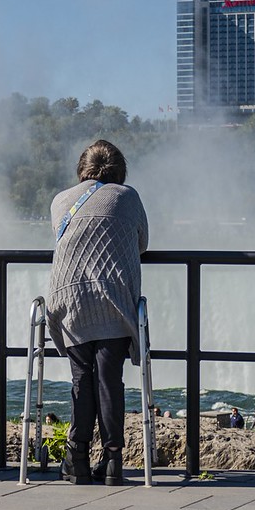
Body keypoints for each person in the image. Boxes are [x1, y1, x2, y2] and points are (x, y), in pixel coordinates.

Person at [47, 140, 148, 486]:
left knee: (82, 378)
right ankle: (112, 461)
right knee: (109, 380)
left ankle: (76, 458)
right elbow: (142, 243)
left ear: (82, 170)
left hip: (68, 298)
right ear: (119, 170)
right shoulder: (128, 197)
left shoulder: (61, 199)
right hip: (114, 298)